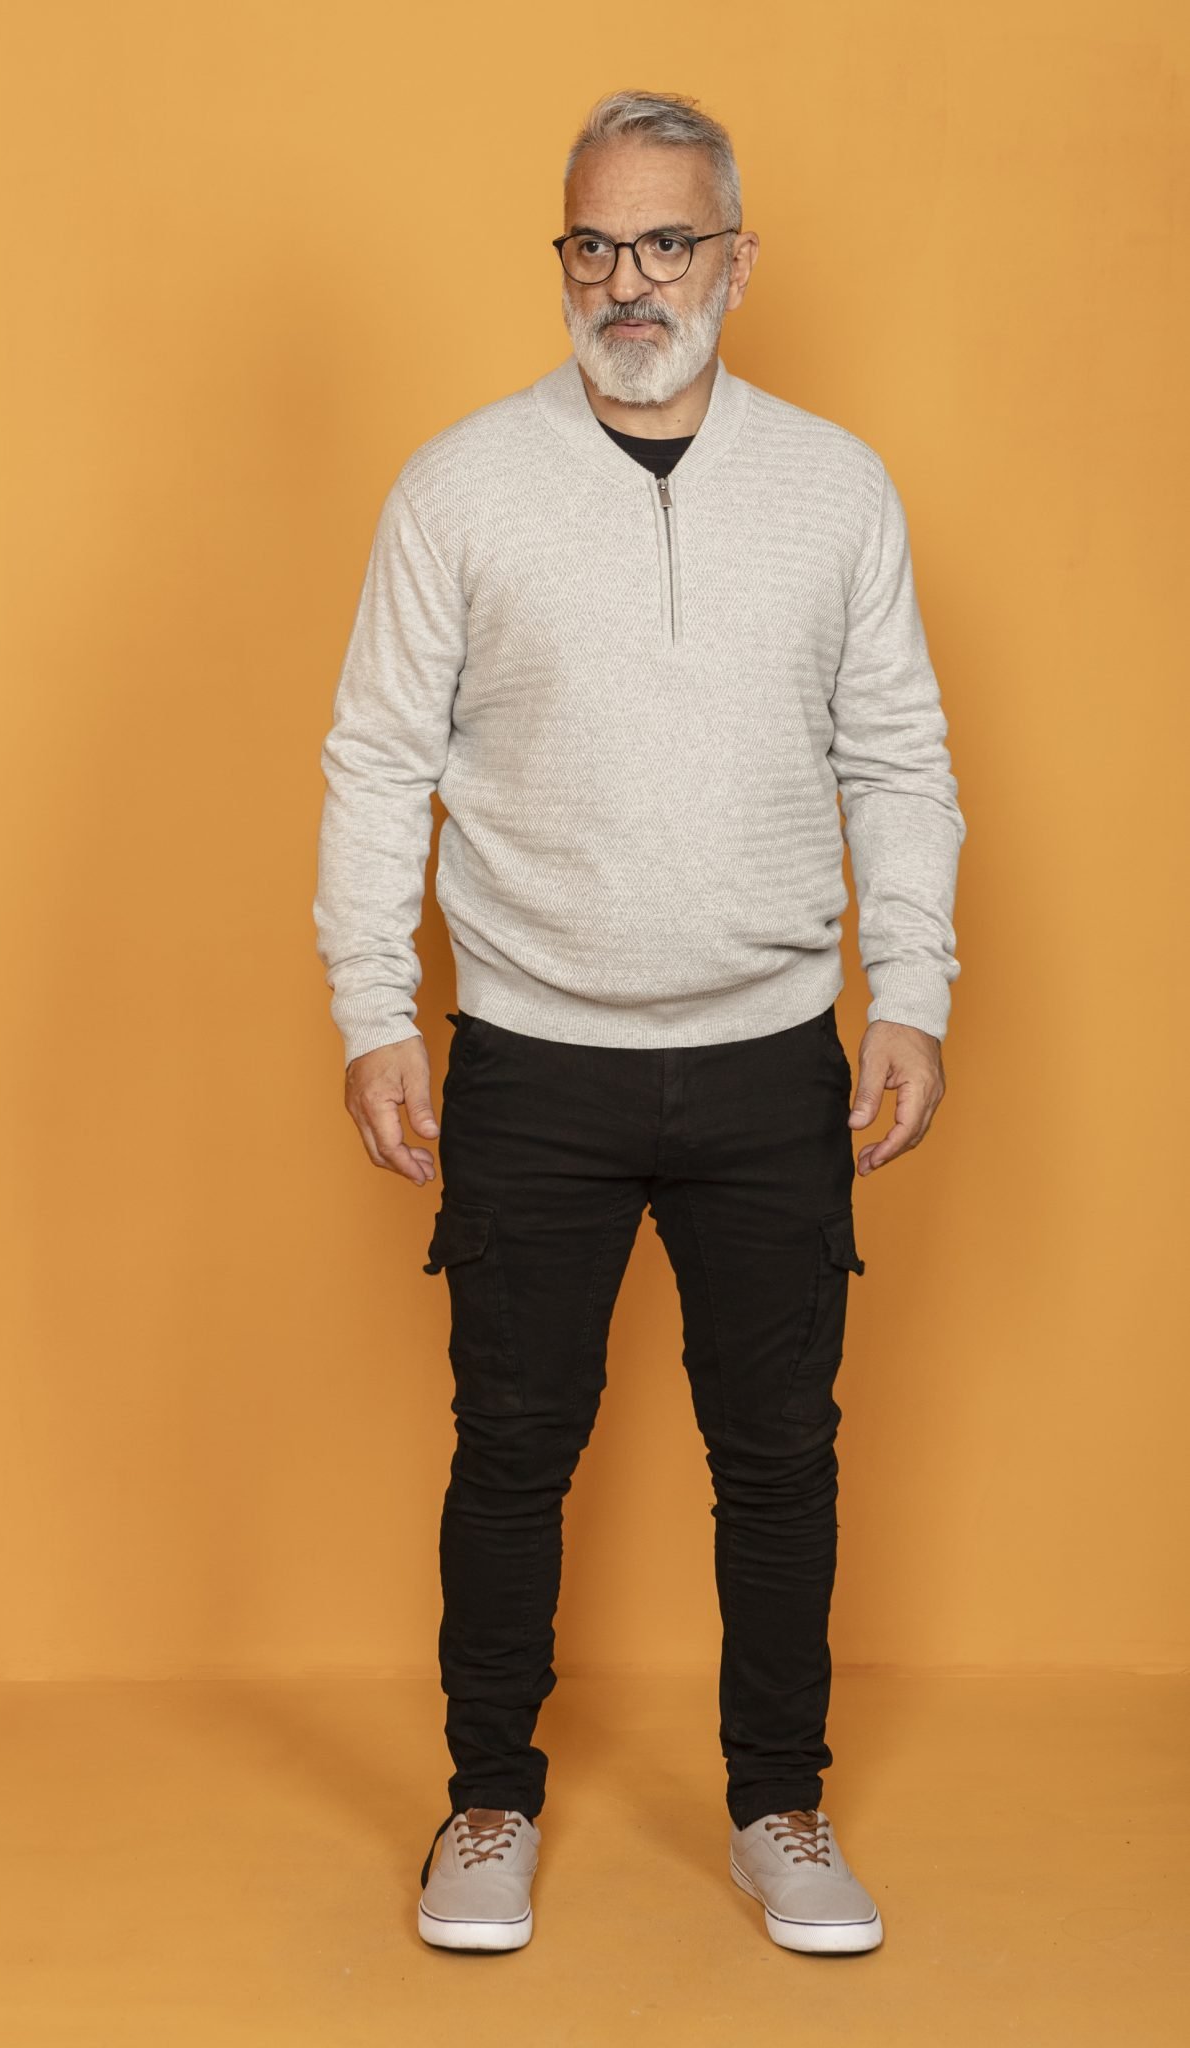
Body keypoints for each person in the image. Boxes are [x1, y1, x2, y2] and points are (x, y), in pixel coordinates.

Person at [312, 86, 965, 1958]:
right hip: (530, 1054)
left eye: (667, 242)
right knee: (512, 1447)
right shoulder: (457, 487)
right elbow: (375, 761)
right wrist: (373, 1009)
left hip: (770, 1055)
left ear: (736, 262)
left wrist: (911, 986)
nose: (627, 281)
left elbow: (896, 754)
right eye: (593, 242)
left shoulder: (835, 487)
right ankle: (485, 1806)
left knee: (779, 1454)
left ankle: (779, 1809)